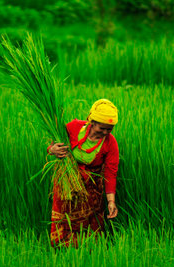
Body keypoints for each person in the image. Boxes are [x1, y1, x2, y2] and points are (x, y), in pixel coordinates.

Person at [47, 99, 119, 247]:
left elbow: (111, 173)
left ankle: (90, 249)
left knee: (90, 222)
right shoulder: (73, 128)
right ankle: (61, 249)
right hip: (66, 183)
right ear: (92, 121)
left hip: (91, 189)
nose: (105, 132)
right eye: (102, 128)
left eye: (109, 129)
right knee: (64, 218)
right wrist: (52, 150)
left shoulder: (110, 143)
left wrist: (111, 201)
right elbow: (53, 144)